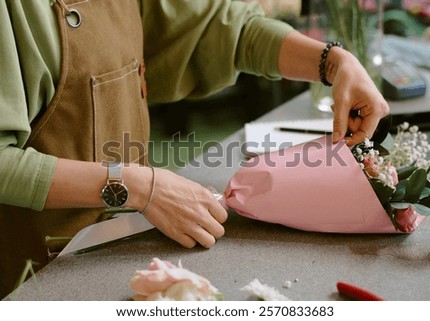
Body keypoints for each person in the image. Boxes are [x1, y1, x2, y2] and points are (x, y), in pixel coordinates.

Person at [0, 0, 389, 298]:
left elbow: (223, 29)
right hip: (36, 274)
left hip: (124, 242)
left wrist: (332, 63)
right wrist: (139, 187)